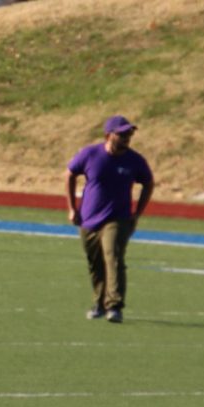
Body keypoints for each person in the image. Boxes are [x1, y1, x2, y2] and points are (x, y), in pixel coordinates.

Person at [65, 115, 155, 323]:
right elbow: (69, 174)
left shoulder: (135, 160)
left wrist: (137, 213)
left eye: (129, 134)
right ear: (108, 135)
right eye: (122, 134)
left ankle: (114, 305)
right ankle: (99, 302)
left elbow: (148, 183)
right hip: (89, 219)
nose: (127, 138)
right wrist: (72, 208)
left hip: (118, 218)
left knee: (113, 257)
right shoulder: (90, 154)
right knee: (95, 263)